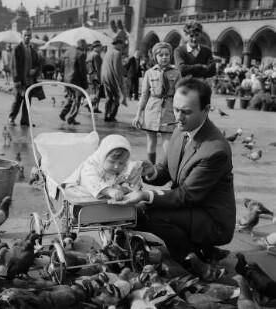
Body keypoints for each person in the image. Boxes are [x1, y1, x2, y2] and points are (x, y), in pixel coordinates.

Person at [110, 77, 236, 265]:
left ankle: (191, 259)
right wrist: (150, 171)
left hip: (211, 220)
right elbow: (166, 170)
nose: (177, 117)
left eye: (186, 112)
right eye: (176, 109)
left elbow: (186, 195)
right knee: (133, 214)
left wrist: (145, 195)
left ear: (206, 110)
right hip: (190, 206)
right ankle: (199, 249)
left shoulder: (215, 150)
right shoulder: (181, 128)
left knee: (151, 215)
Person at [132, 42, 181, 164]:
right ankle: (151, 169)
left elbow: (179, 96)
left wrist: (180, 115)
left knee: (167, 143)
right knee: (151, 142)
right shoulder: (149, 73)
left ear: (170, 56)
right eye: (161, 55)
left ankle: (166, 170)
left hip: (169, 110)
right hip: (152, 109)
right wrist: (138, 115)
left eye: (167, 54)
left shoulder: (176, 73)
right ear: (155, 57)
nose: (164, 57)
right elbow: (144, 95)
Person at [63, 134, 143, 200]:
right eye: (112, 162)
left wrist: (125, 188)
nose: (116, 166)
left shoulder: (124, 166)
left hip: (111, 197)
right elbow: (91, 180)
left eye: (121, 163)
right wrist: (108, 190)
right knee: (82, 193)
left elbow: (127, 178)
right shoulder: (92, 165)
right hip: (89, 195)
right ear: (103, 156)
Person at [8, 27, 42, 127]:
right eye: (25, 35)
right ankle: (11, 118)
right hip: (20, 80)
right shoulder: (17, 49)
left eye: (29, 35)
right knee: (17, 100)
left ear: (31, 37)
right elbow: (13, 65)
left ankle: (25, 121)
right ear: (22, 36)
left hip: (30, 81)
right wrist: (16, 79)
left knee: (27, 102)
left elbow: (38, 65)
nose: (27, 37)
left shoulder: (33, 51)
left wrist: (34, 70)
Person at [59, 39, 88, 125]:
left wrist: (63, 76)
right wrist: (85, 83)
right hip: (76, 80)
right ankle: (71, 118)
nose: (86, 46)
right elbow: (82, 70)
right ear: (82, 45)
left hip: (67, 80)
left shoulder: (67, 52)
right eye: (85, 45)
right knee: (77, 100)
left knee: (70, 97)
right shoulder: (81, 54)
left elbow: (61, 65)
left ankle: (63, 113)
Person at [101, 37, 126, 122]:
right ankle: (111, 116)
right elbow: (117, 68)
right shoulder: (117, 53)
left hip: (105, 77)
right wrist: (119, 82)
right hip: (112, 78)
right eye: (121, 44)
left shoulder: (108, 52)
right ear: (118, 44)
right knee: (117, 97)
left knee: (109, 97)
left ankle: (105, 115)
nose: (122, 46)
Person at [86, 40, 103, 113]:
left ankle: (91, 106)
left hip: (90, 75)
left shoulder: (89, 55)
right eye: (99, 46)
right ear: (96, 47)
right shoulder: (96, 55)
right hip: (96, 76)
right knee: (97, 92)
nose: (101, 48)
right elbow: (98, 68)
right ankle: (91, 105)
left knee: (92, 92)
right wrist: (100, 78)